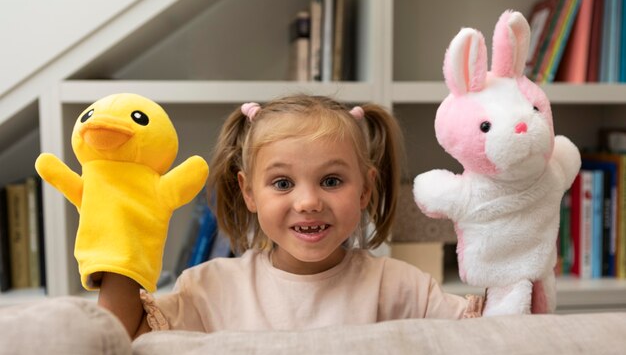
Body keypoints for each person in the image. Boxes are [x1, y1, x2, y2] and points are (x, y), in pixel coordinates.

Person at [97, 94, 484, 339]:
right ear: (249, 192)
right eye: (282, 183)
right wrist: (122, 240)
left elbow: (487, 335)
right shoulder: (209, 288)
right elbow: (120, 339)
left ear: (365, 189)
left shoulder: (401, 287)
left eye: (331, 180)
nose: (308, 202)